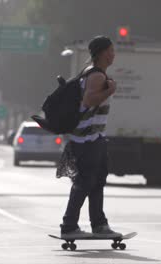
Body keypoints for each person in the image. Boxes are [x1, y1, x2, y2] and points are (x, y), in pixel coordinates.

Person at [58, 36, 119, 239]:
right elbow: (89, 100)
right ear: (101, 53)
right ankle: (69, 225)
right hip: (87, 138)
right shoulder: (96, 76)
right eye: (110, 50)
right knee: (85, 182)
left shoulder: (94, 74)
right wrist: (109, 90)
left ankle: (99, 224)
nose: (113, 54)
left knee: (96, 181)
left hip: (94, 137)